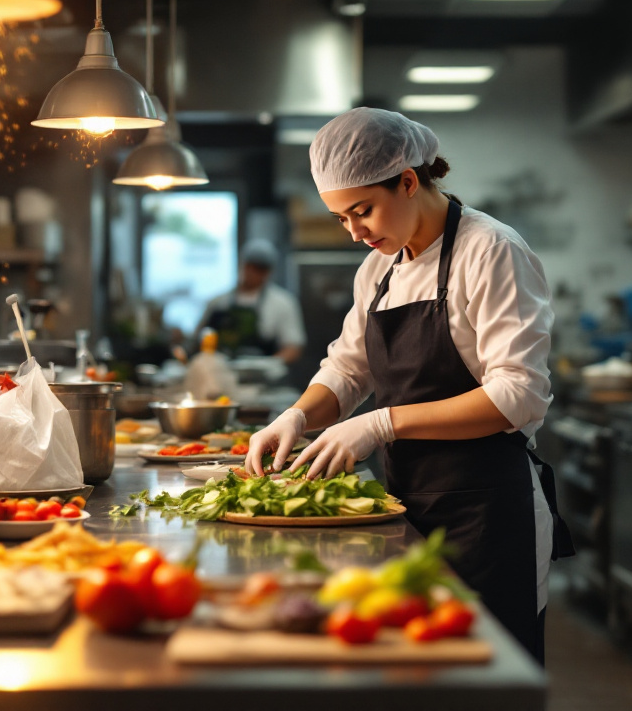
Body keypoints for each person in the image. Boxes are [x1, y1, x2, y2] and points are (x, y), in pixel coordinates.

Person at [244, 107, 573, 664]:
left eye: (363, 211)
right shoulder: (379, 269)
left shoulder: (489, 250)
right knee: (415, 676)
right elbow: (349, 369)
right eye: (341, 219)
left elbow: (517, 394)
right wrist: (296, 415)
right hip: (406, 509)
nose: (355, 232)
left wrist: (381, 423)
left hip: (487, 515)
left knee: (487, 680)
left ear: (409, 181)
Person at [198, 239, 306, 364]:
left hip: (264, 379)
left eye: (260, 269)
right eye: (251, 266)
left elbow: (294, 347)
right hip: (221, 373)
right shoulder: (218, 303)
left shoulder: (283, 303)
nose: (254, 273)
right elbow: (200, 338)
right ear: (243, 265)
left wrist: (268, 365)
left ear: (269, 271)